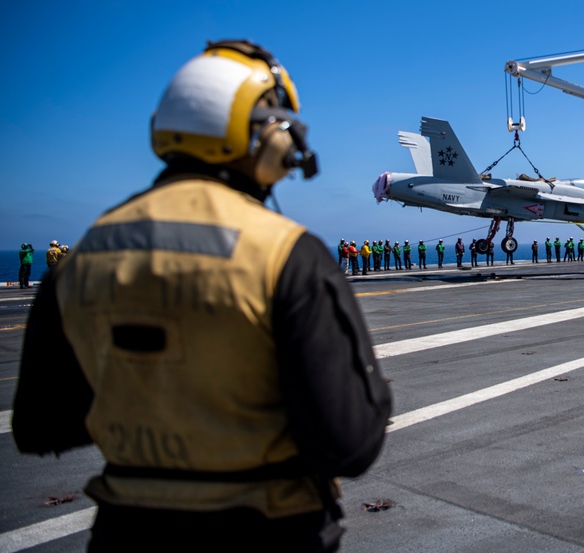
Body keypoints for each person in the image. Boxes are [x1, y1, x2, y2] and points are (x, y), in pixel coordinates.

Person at [12, 40, 391, 552]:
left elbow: (40, 427)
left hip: (125, 534)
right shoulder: (286, 255)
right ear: (262, 136)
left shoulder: (80, 260)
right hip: (267, 533)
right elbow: (350, 443)